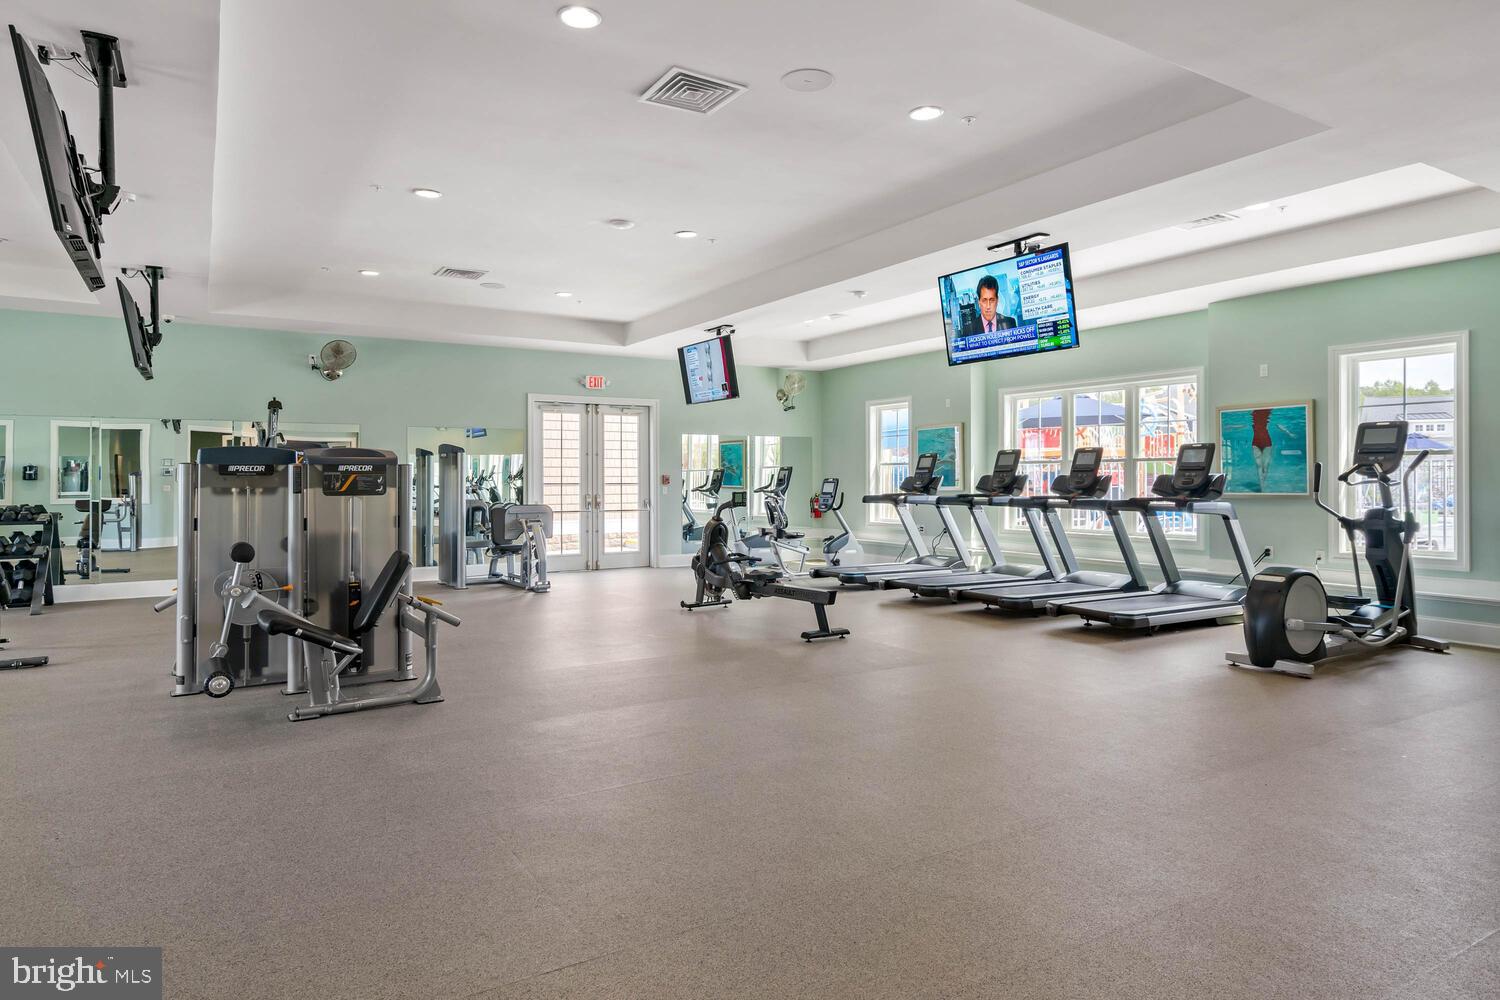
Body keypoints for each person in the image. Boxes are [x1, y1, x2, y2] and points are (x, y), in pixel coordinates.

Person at [1251, 408, 1274, 492]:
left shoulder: (1266, 416)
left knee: (1265, 465)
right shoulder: (1252, 416)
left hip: (1267, 443)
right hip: (1255, 443)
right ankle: (1262, 485)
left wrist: (1288, 432)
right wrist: (1230, 426)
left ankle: (1263, 481)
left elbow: (1277, 424)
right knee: (1259, 465)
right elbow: (1242, 425)